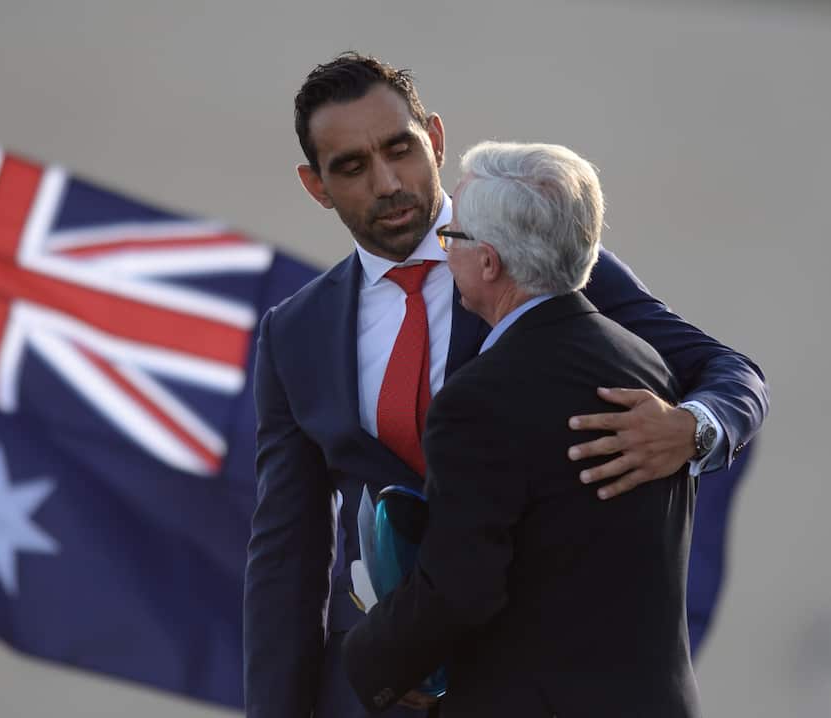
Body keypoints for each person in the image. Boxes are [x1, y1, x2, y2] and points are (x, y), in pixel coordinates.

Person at [244, 52, 765, 718]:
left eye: (399, 150)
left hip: (539, 673)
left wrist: (694, 429)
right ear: (316, 185)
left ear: (434, 139)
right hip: (379, 686)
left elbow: (731, 373)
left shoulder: (542, 252)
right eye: (350, 167)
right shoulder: (295, 333)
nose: (386, 182)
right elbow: (287, 553)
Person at [342, 141, 700, 716]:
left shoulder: (478, 398)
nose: (444, 252)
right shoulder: (645, 366)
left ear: (488, 263)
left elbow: (461, 589)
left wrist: (369, 658)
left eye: (451, 238)